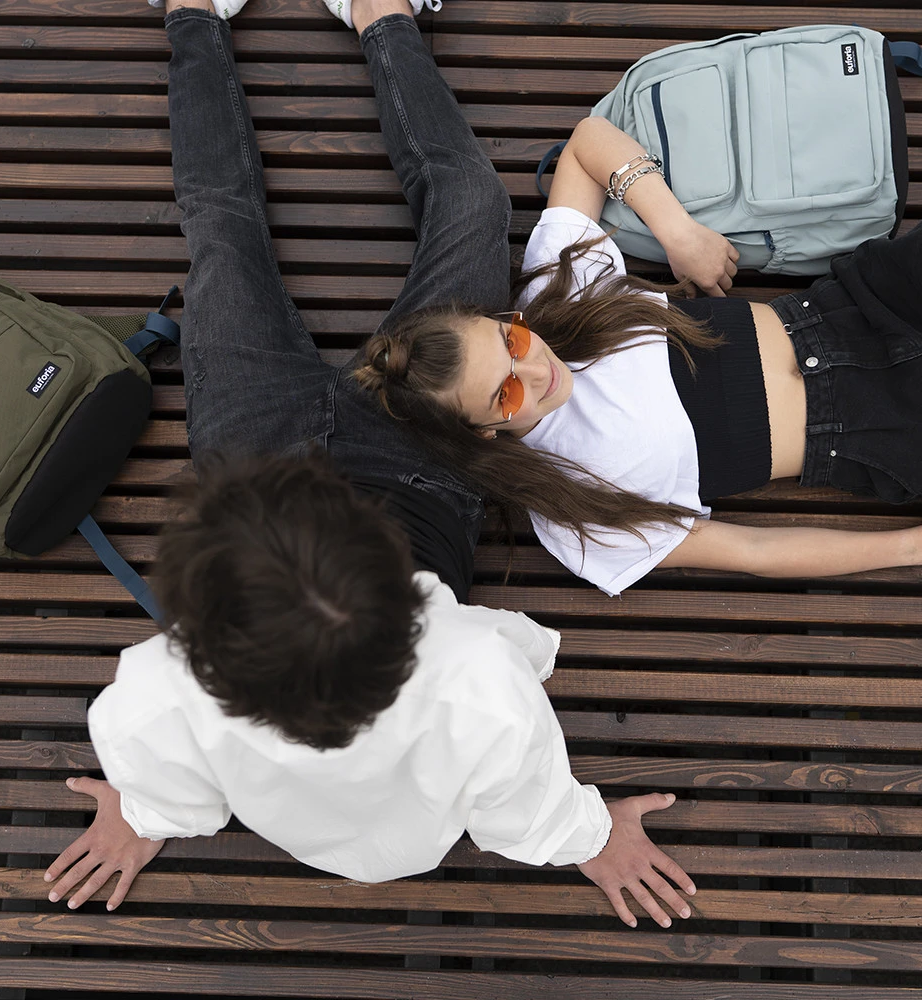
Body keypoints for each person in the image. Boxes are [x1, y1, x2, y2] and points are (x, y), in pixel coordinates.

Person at [40, 0, 698, 932]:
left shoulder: (155, 692)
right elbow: (526, 798)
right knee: (469, 206)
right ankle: (379, 14)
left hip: (253, 452)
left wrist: (143, 813)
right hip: (409, 468)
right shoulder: (471, 681)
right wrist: (589, 839)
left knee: (223, 235)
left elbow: (161, 775)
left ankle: (193, 15)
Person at [354, 113, 922, 596]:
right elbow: (752, 550)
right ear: (483, 435)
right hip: (894, 429)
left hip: (859, 309)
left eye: (510, 343)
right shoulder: (573, 512)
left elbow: (590, 145)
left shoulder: (560, 294)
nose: (534, 369)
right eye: (506, 396)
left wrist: (675, 230)